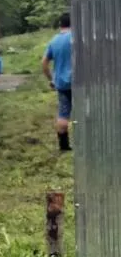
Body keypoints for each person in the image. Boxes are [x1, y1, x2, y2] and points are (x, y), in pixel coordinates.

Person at [42, 12, 73, 152]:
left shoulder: (54, 41)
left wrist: (51, 80)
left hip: (61, 83)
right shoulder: (76, 38)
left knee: (63, 113)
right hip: (80, 82)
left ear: (61, 24)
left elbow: (44, 63)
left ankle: (64, 146)